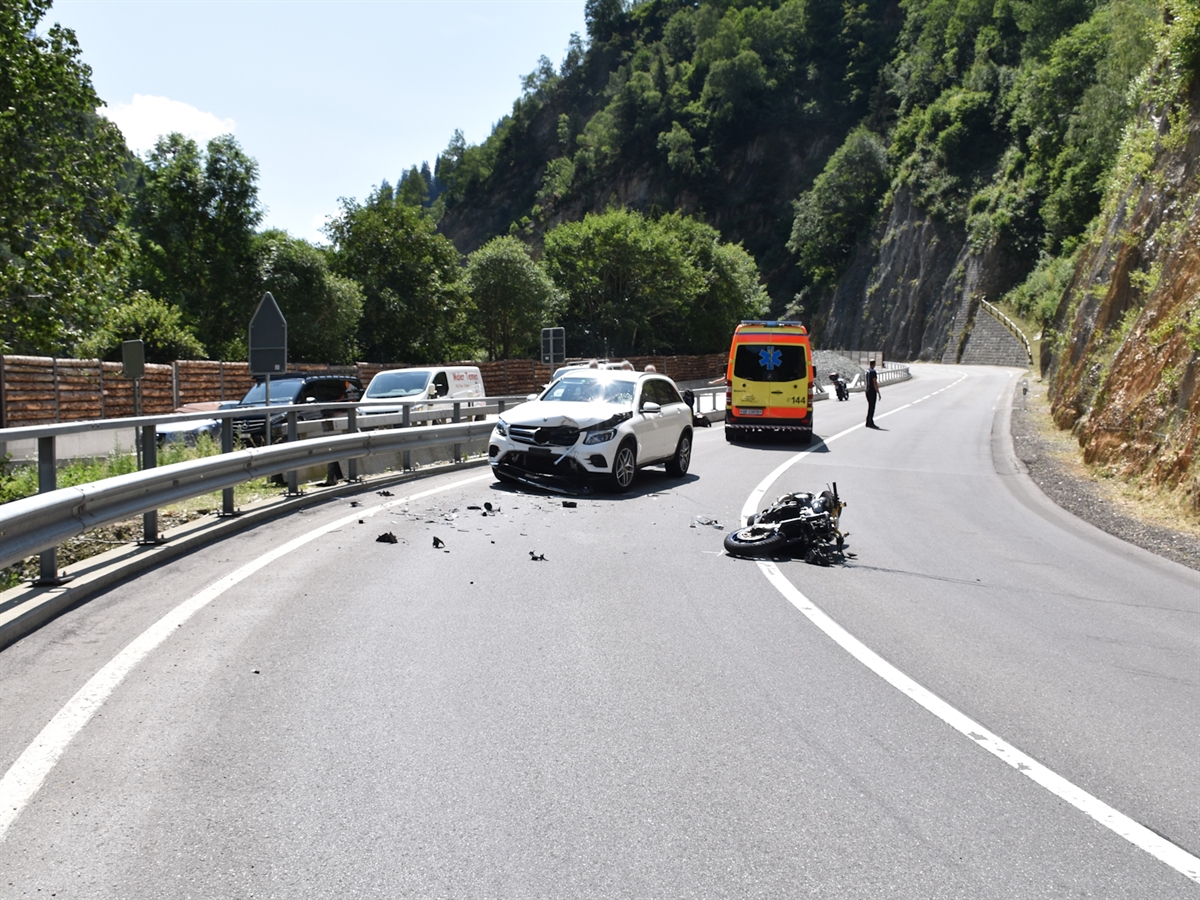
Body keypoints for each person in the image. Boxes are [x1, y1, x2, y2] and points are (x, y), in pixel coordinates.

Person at [865, 359, 881, 428]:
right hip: (872, 391)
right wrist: (878, 392)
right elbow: (874, 382)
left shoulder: (867, 371)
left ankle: (868, 421)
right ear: (874, 364)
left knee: (870, 406)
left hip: (867, 390)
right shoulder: (873, 372)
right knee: (872, 407)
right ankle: (870, 422)